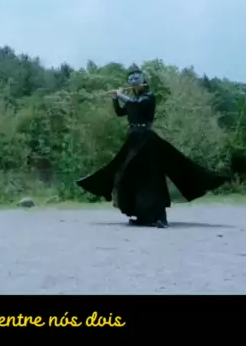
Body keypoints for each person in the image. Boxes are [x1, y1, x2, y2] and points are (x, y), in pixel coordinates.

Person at [76, 65, 229, 228]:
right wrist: (115, 98)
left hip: (147, 140)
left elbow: (136, 104)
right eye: (130, 79)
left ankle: (161, 218)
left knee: (152, 179)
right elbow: (121, 112)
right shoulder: (132, 99)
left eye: (136, 78)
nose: (133, 81)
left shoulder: (149, 97)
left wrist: (121, 95)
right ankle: (143, 217)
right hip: (134, 139)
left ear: (143, 80)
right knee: (130, 176)